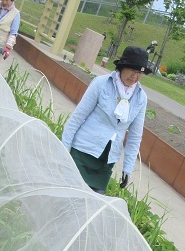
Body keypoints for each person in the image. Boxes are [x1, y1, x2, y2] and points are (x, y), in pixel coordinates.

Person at [61, 45, 151, 194]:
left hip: (106, 161)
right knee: (70, 196)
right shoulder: (100, 83)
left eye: (140, 73)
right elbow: (77, 118)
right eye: (132, 71)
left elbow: (135, 136)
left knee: (92, 204)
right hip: (82, 152)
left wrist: (127, 168)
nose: (135, 77)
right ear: (123, 67)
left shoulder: (141, 98)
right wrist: (64, 148)